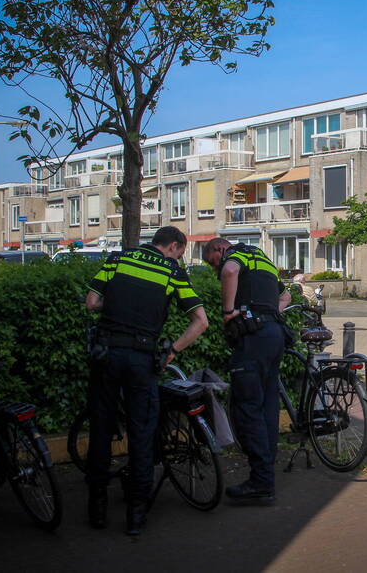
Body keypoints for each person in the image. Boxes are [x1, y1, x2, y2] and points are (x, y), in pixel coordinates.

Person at [85, 226, 208, 535]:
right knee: (142, 432)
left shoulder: (118, 259)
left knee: (101, 427)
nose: (179, 257)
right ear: (175, 247)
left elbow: (91, 302)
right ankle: (136, 513)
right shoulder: (172, 272)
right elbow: (201, 321)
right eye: (180, 252)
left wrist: (113, 307)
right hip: (142, 358)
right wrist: (173, 351)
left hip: (107, 354)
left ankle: (97, 506)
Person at [203, 237, 290, 506]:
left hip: (254, 339)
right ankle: (265, 475)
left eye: (212, 262)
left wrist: (228, 313)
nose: (215, 268)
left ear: (220, 249)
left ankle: (261, 483)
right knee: (267, 405)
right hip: (275, 334)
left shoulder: (237, 254)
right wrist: (270, 313)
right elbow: (285, 294)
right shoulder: (263, 259)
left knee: (248, 407)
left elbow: (230, 271)